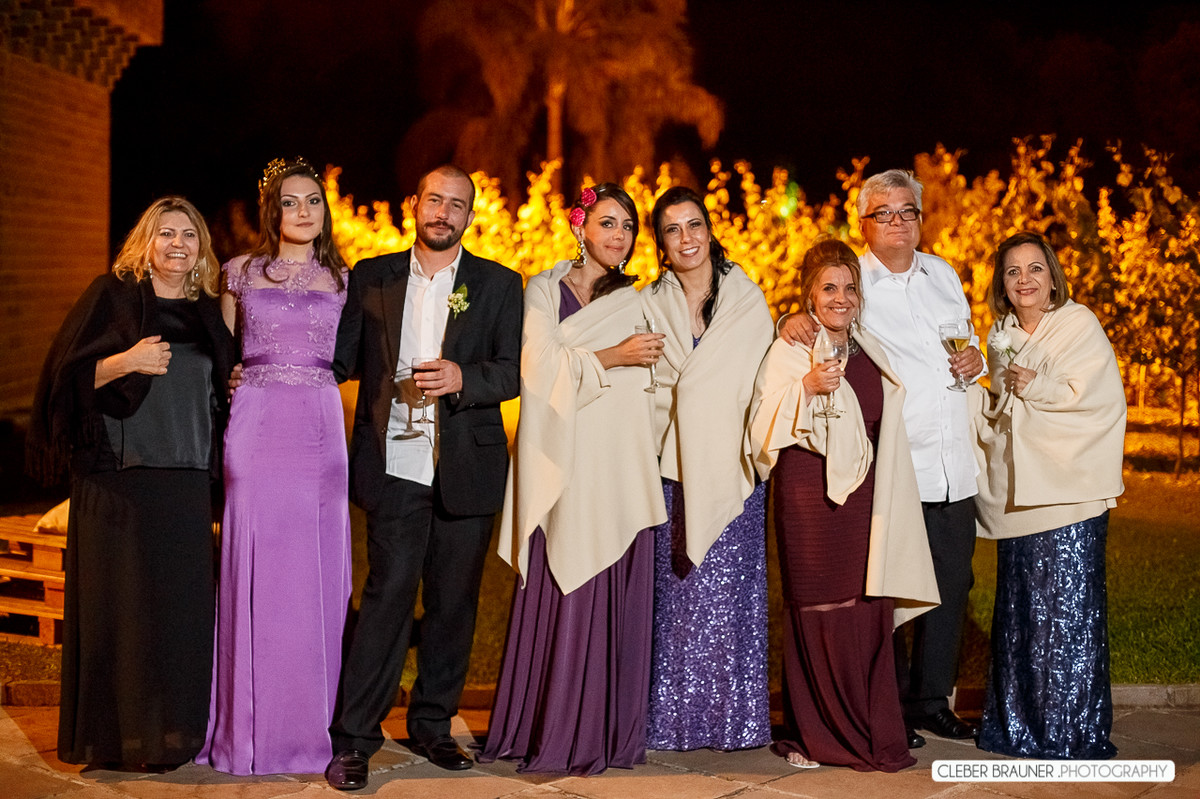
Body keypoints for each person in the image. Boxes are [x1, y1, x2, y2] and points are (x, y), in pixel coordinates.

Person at [324, 165, 522, 791]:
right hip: (395, 465)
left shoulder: (498, 284)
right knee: (386, 598)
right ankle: (355, 737)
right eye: (434, 200)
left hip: (467, 463)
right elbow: (339, 360)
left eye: (456, 205)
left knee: (454, 603)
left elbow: (514, 370)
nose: (443, 212)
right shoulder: (371, 275)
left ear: (470, 215)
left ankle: (433, 723)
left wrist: (466, 379)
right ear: (413, 203)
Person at [28, 197, 235, 769]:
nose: (177, 244)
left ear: (201, 249)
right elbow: (60, 382)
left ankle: (173, 739)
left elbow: (222, 390)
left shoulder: (210, 312)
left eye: (188, 235)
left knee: (179, 616)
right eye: (164, 233)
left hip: (186, 483)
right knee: (120, 615)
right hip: (117, 483)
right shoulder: (110, 297)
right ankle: (112, 741)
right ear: (144, 243)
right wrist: (127, 361)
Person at [779, 169, 984, 747]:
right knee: (888, 585)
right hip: (894, 463)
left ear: (921, 219)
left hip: (953, 461)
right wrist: (786, 318)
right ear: (863, 224)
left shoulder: (943, 274)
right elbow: (816, 317)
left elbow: (967, 344)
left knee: (951, 582)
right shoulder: (853, 283)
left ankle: (930, 700)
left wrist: (978, 362)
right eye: (884, 213)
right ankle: (888, 702)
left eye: (907, 212)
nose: (897, 222)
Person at [479, 183, 667, 775]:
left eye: (628, 227)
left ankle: (605, 732)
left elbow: (673, 361)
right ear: (580, 225)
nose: (619, 235)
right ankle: (547, 724)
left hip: (618, 459)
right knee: (564, 577)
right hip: (562, 456)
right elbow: (539, 365)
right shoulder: (542, 288)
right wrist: (612, 357)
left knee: (608, 580)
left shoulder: (641, 300)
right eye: (608, 222)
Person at [751, 238, 939, 771]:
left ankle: (872, 726)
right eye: (829, 287)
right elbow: (761, 422)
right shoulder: (791, 347)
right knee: (820, 605)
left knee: (864, 603)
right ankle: (820, 731)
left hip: (868, 495)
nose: (840, 298)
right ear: (810, 293)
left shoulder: (869, 346)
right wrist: (805, 387)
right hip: (808, 493)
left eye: (849, 288)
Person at [197, 158, 353, 775]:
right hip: (257, 424)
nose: (303, 212)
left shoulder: (346, 280)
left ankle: (313, 726)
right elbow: (219, 356)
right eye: (290, 202)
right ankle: (247, 733)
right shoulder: (239, 273)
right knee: (254, 566)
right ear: (273, 211)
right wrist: (233, 377)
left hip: (318, 424)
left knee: (313, 573)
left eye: (313, 201)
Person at [972, 232, 1124, 759]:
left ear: (1052, 275)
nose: (1025, 281)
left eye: (1035, 269)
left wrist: (1032, 385)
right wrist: (982, 390)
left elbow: (1094, 400)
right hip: (1021, 499)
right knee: (1022, 616)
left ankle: (1068, 732)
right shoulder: (998, 336)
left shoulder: (1078, 325)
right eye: (1013, 272)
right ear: (1002, 284)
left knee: (1067, 618)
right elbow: (997, 415)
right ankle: (1018, 728)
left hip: (1070, 497)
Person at [641, 186, 774, 751]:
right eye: (672, 230)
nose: (686, 238)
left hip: (735, 469)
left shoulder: (747, 299)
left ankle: (734, 723)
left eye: (694, 224)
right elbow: (646, 387)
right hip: (671, 469)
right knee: (679, 599)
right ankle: (669, 722)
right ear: (661, 243)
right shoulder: (648, 303)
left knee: (731, 600)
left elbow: (764, 380)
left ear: (710, 229)